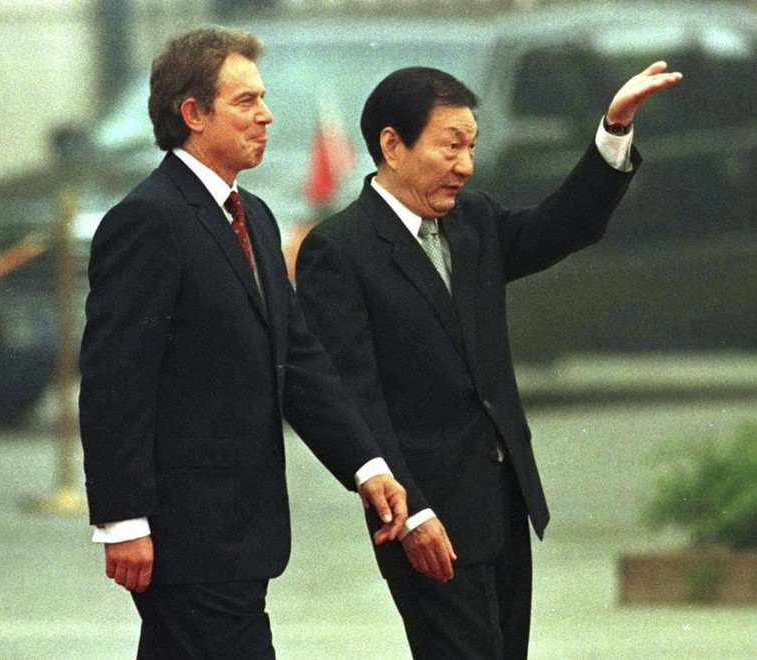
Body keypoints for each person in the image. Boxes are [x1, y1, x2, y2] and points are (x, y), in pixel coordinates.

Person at [295, 63, 682, 658]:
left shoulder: (472, 221)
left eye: (471, 147)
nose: (466, 166)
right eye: (451, 147)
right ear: (392, 146)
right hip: (425, 517)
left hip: (501, 504)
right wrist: (414, 511)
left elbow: (562, 227)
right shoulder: (339, 249)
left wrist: (614, 127)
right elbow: (353, 399)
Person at [78, 27, 408, 659]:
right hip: (186, 535)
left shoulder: (252, 214)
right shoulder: (147, 221)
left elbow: (299, 361)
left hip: (240, 532)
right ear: (194, 114)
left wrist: (366, 464)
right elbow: (116, 379)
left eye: (264, 98)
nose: (267, 114)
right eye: (247, 101)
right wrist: (120, 521)